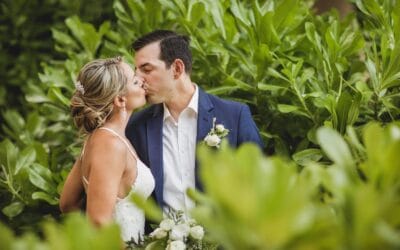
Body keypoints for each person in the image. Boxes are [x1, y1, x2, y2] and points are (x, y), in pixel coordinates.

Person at [126, 30, 263, 215]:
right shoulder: (136, 126)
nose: (138, 79)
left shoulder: (235, 116)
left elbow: (259, 185)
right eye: (136, 71)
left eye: (147, 70)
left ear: (177, 69)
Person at [59, 56, 155, 243]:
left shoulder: (101, 138)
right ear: (120, 100)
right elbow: (98, 221)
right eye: (135, 81)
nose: (143, 81)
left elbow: (67, 203)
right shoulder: (111, 145)